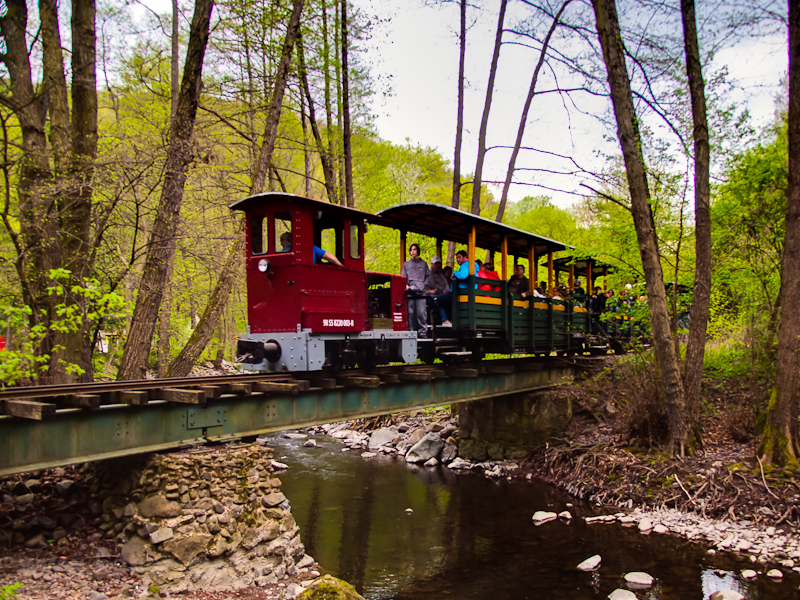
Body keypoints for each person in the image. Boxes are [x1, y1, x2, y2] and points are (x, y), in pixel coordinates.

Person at [401, 243, 430, 337]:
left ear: (418, 251)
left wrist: (423, 285)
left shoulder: (424, 264)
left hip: (421, 292)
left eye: (414, 250)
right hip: (410, 292)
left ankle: (423, 332)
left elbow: (428, 277)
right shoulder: (406, 264)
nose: (412, 251)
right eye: (411, 250)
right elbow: (403, 276)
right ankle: (410, 332)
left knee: (422, 313)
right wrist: (406, 286)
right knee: (409, 313)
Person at [424, 256, 452, 326]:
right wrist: (430, 291)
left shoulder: (441, 273)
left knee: (450, 297)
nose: (437, 265)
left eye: (438, 263)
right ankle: (445, 320)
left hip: (441, 294)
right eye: (435, 264)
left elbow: (445, 284)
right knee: (439, 300)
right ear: (432, 264)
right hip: (431, 295)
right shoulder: (428, 274)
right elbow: (424, 287)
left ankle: (447, 320)